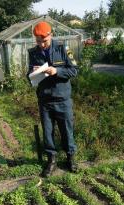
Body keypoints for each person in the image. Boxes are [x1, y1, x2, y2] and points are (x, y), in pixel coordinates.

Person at [27, 21, 78, 177]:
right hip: (45, 100)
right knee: (48, 132)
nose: (41, 44)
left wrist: (57, 71)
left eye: (45, 41)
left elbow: (74, 70)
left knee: (66, 130)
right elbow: (28, 76)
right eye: (38, 41)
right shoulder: (33, 53)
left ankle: (70, 158)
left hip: (62, 99)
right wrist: (33, 74)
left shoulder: (64, 49)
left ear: (51, 35)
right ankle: (52, 161)